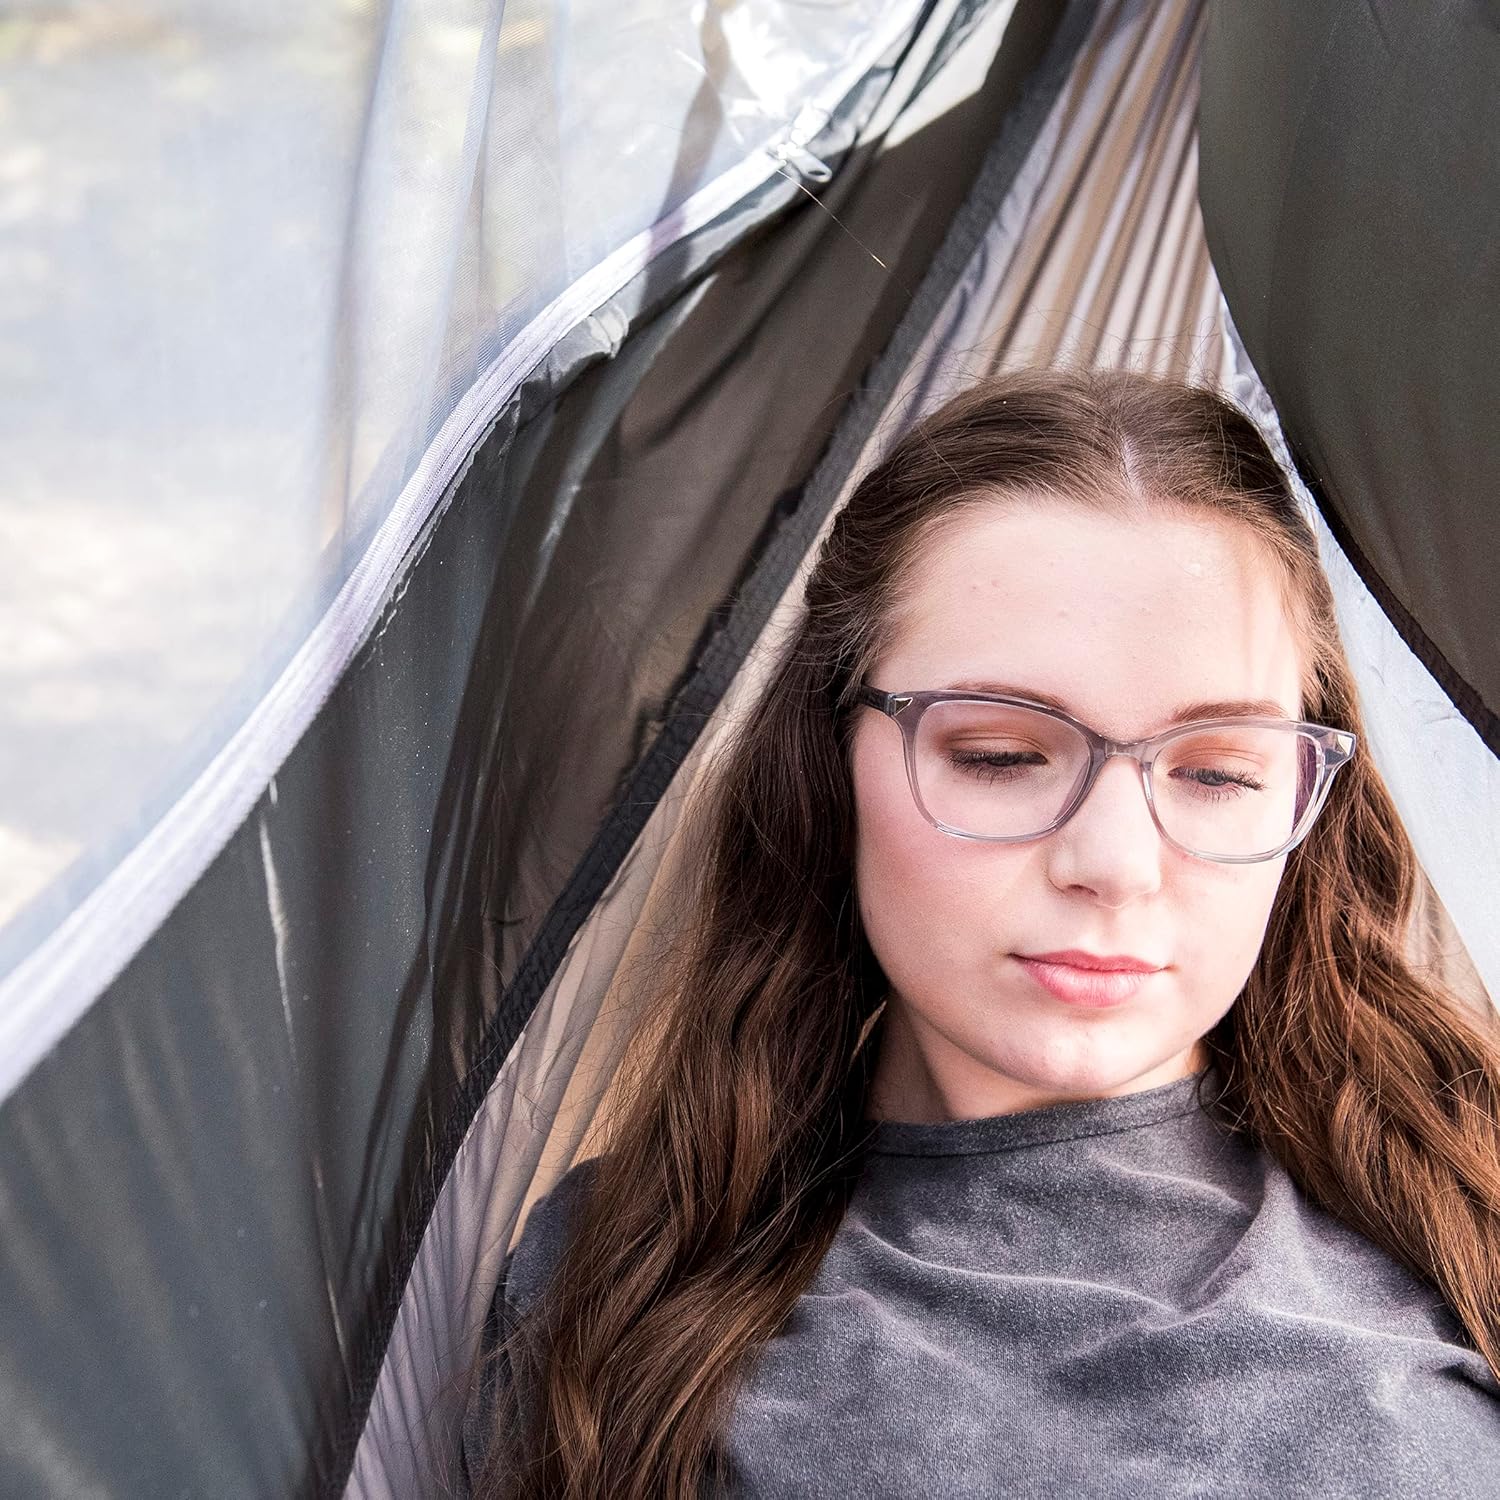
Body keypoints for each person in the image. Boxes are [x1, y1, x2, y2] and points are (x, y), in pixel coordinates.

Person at [457, 368, 1500, 1499]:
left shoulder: (1469, 1220)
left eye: (1216, 771)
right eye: (1000, 755)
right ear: (823, 767)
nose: (1114, 864)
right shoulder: (613, 1286)